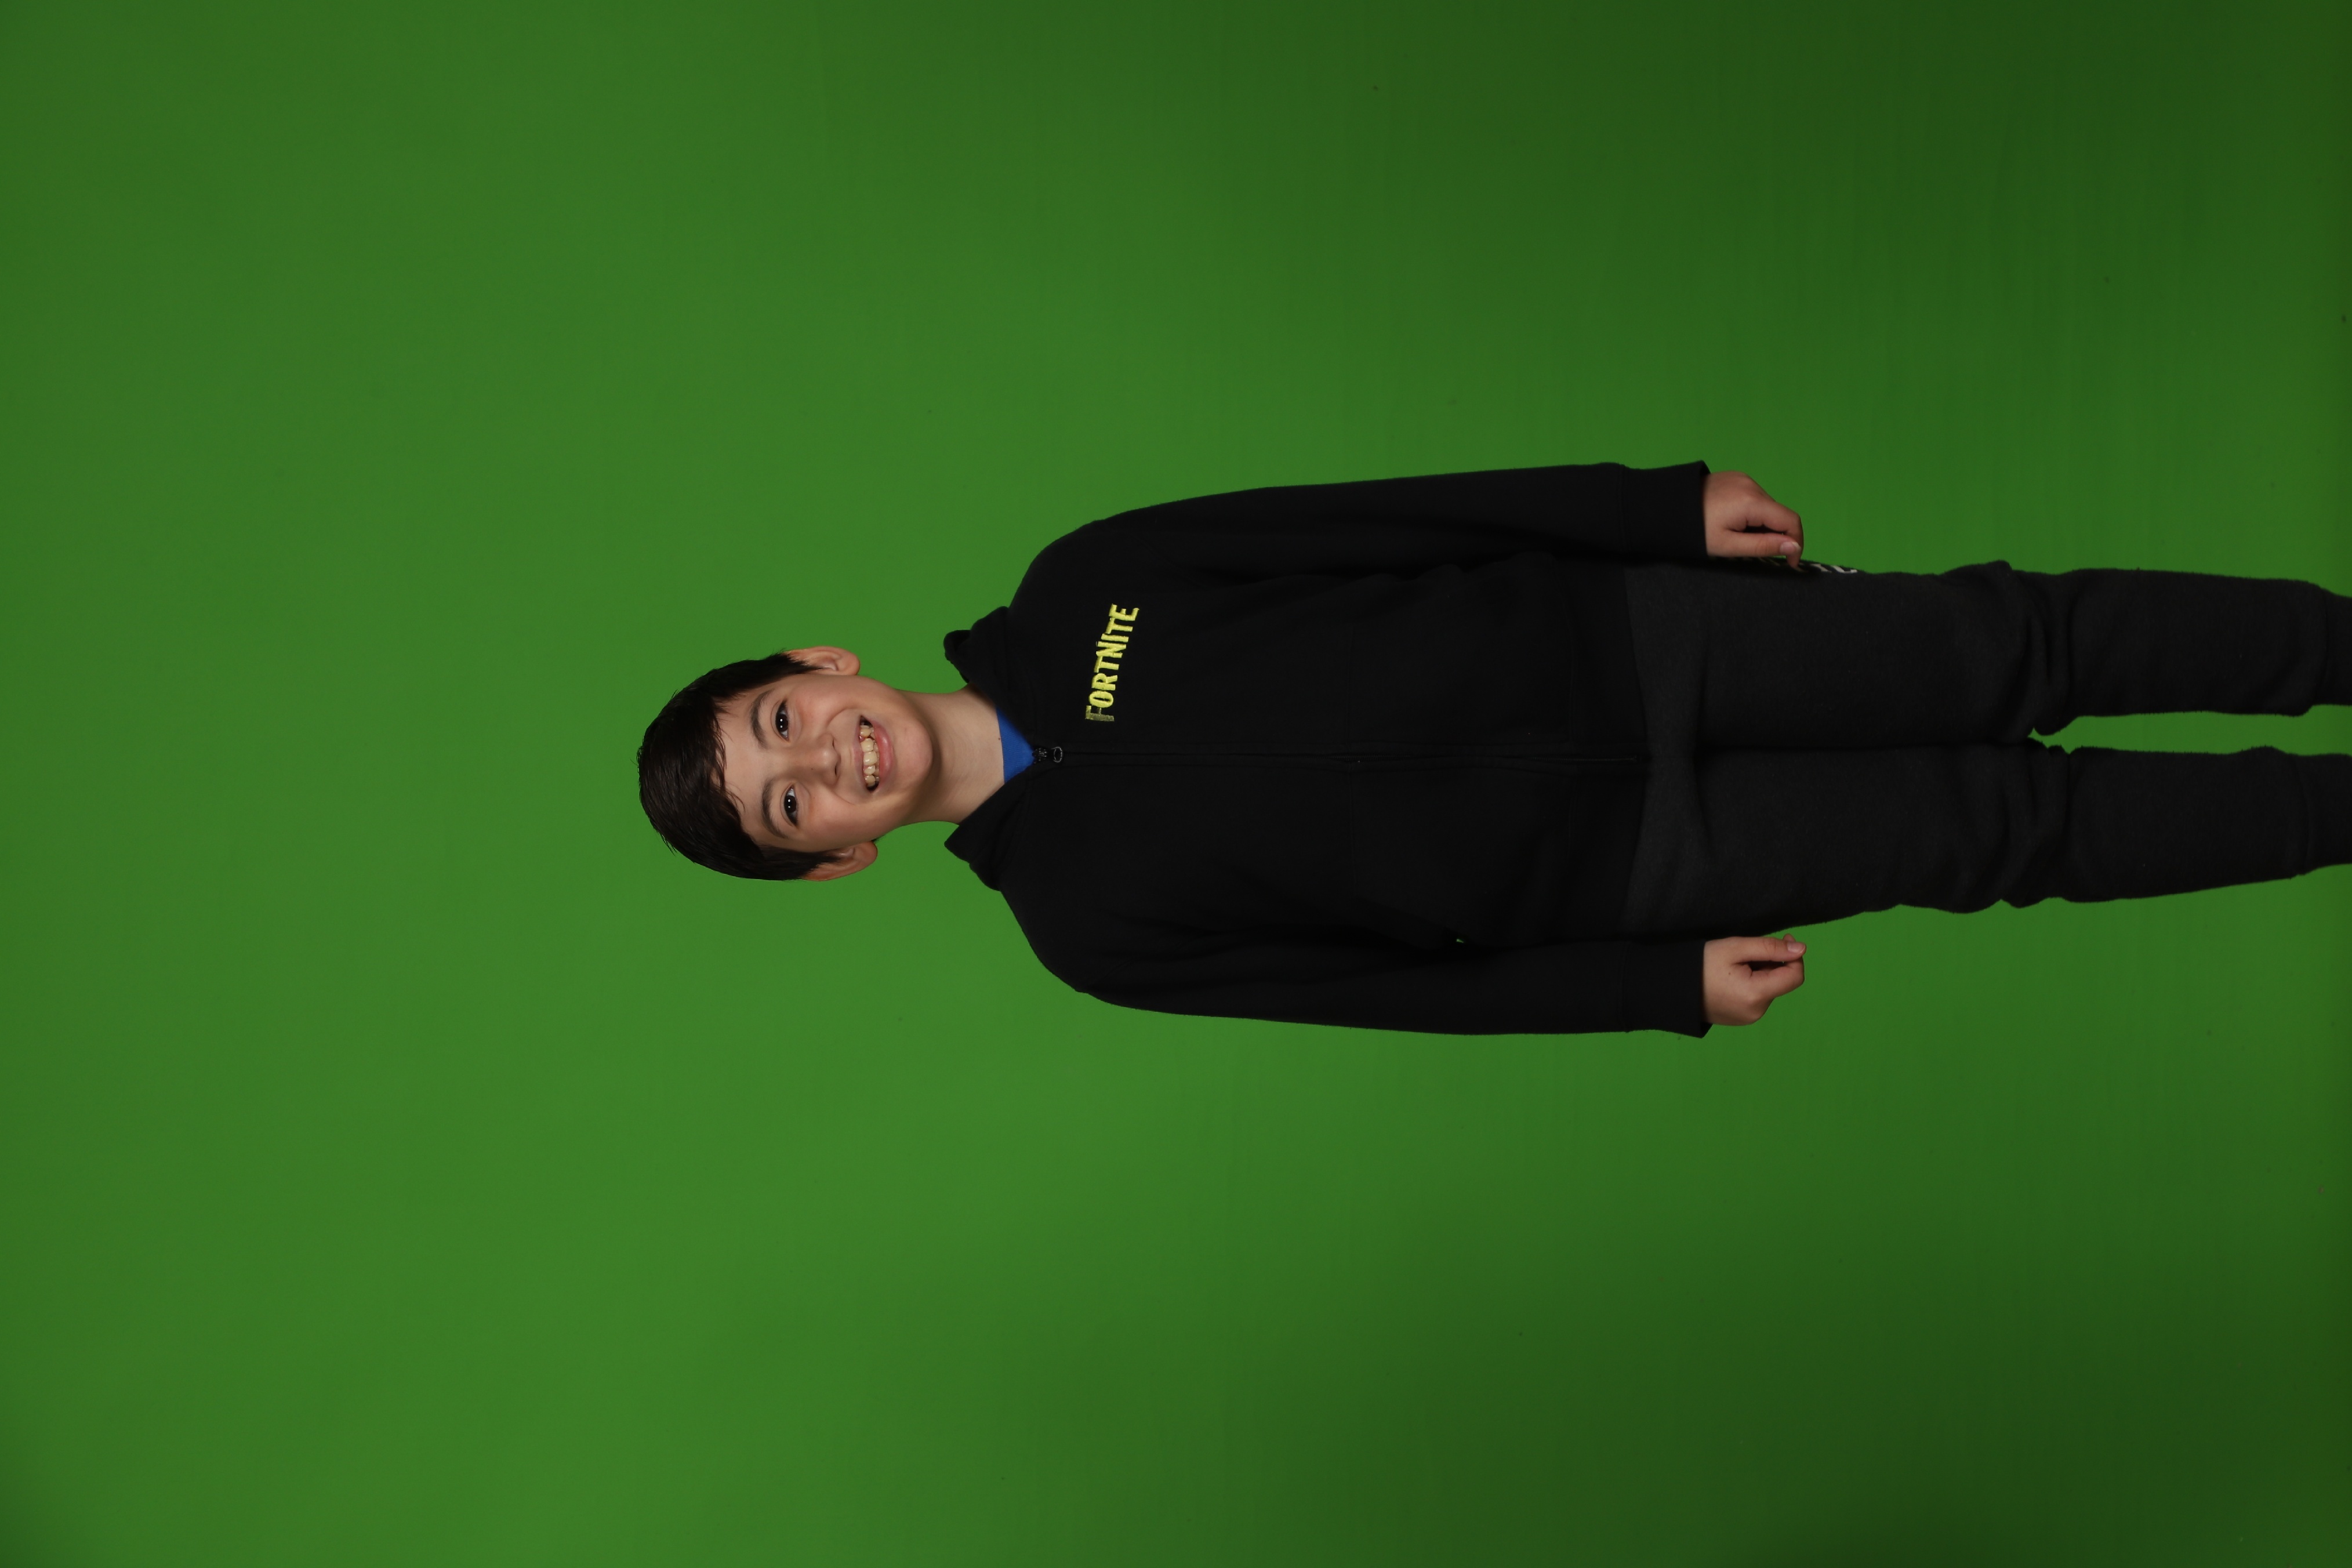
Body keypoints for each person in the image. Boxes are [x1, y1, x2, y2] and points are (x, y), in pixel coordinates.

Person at [636, 462, 2352, 1036]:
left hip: (1634, 637)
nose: (829, 761)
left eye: (785, 720)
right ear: (834, 861)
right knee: (2015, 833)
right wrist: (1654, 986)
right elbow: (1398, 996)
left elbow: (1378, 520)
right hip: (1634, 872)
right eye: (793, 807)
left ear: (819, 660)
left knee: (2018, 643)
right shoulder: (1086, 931)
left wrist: (1642, 512)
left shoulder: (1087, 586)